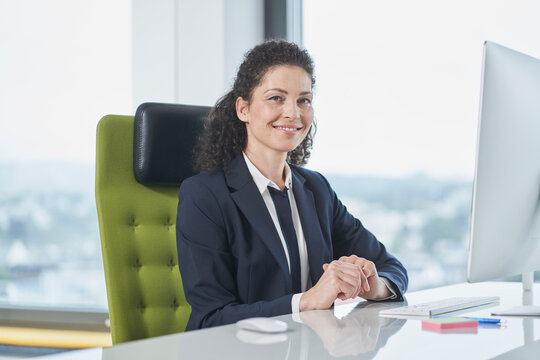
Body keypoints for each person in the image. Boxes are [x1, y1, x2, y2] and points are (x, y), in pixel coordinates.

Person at [176, 39, 408, 331]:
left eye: (304, 100)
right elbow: (211, 319)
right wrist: (306, 301)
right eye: (276, 98)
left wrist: (374, 286)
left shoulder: (316, 189)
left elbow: (393, 268)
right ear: (243, 109)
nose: (293, 113)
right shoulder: (205, 196)